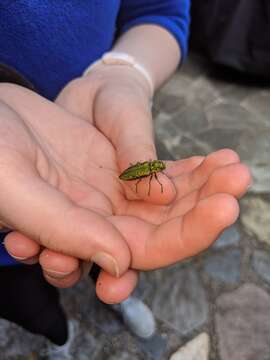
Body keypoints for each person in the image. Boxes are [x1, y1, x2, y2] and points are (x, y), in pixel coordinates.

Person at [0, 0, 251, 358]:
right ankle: (59, 339)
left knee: (111, 251)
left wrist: (125, 73)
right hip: (6, 253)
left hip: (93, 152)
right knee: (31, 303)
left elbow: (161, 12)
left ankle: (121, 299)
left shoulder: (139, 171)